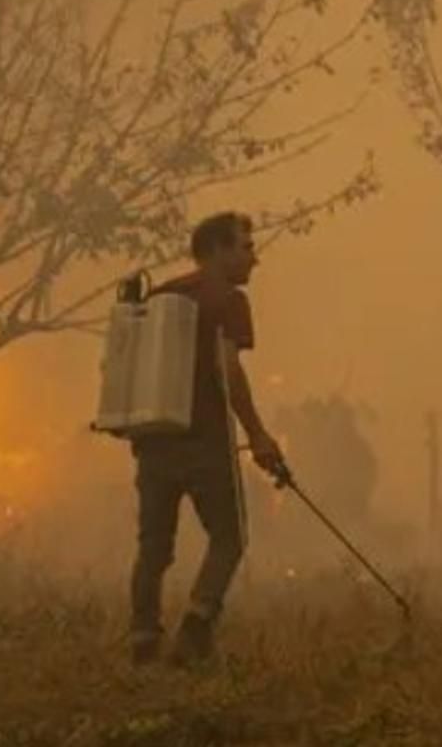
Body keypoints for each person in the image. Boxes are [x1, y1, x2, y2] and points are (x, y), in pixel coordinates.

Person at [128, 211, 286, 666]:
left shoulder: (161, 295)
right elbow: (227, 367)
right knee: (230, 538)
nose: (254, 259)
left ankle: (142, 642)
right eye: (246, 247)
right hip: (205, 444)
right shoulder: (227, 300)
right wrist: (256, 434)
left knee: (153, 546)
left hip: (154, 440)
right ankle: (196, 630)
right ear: (217, 250)